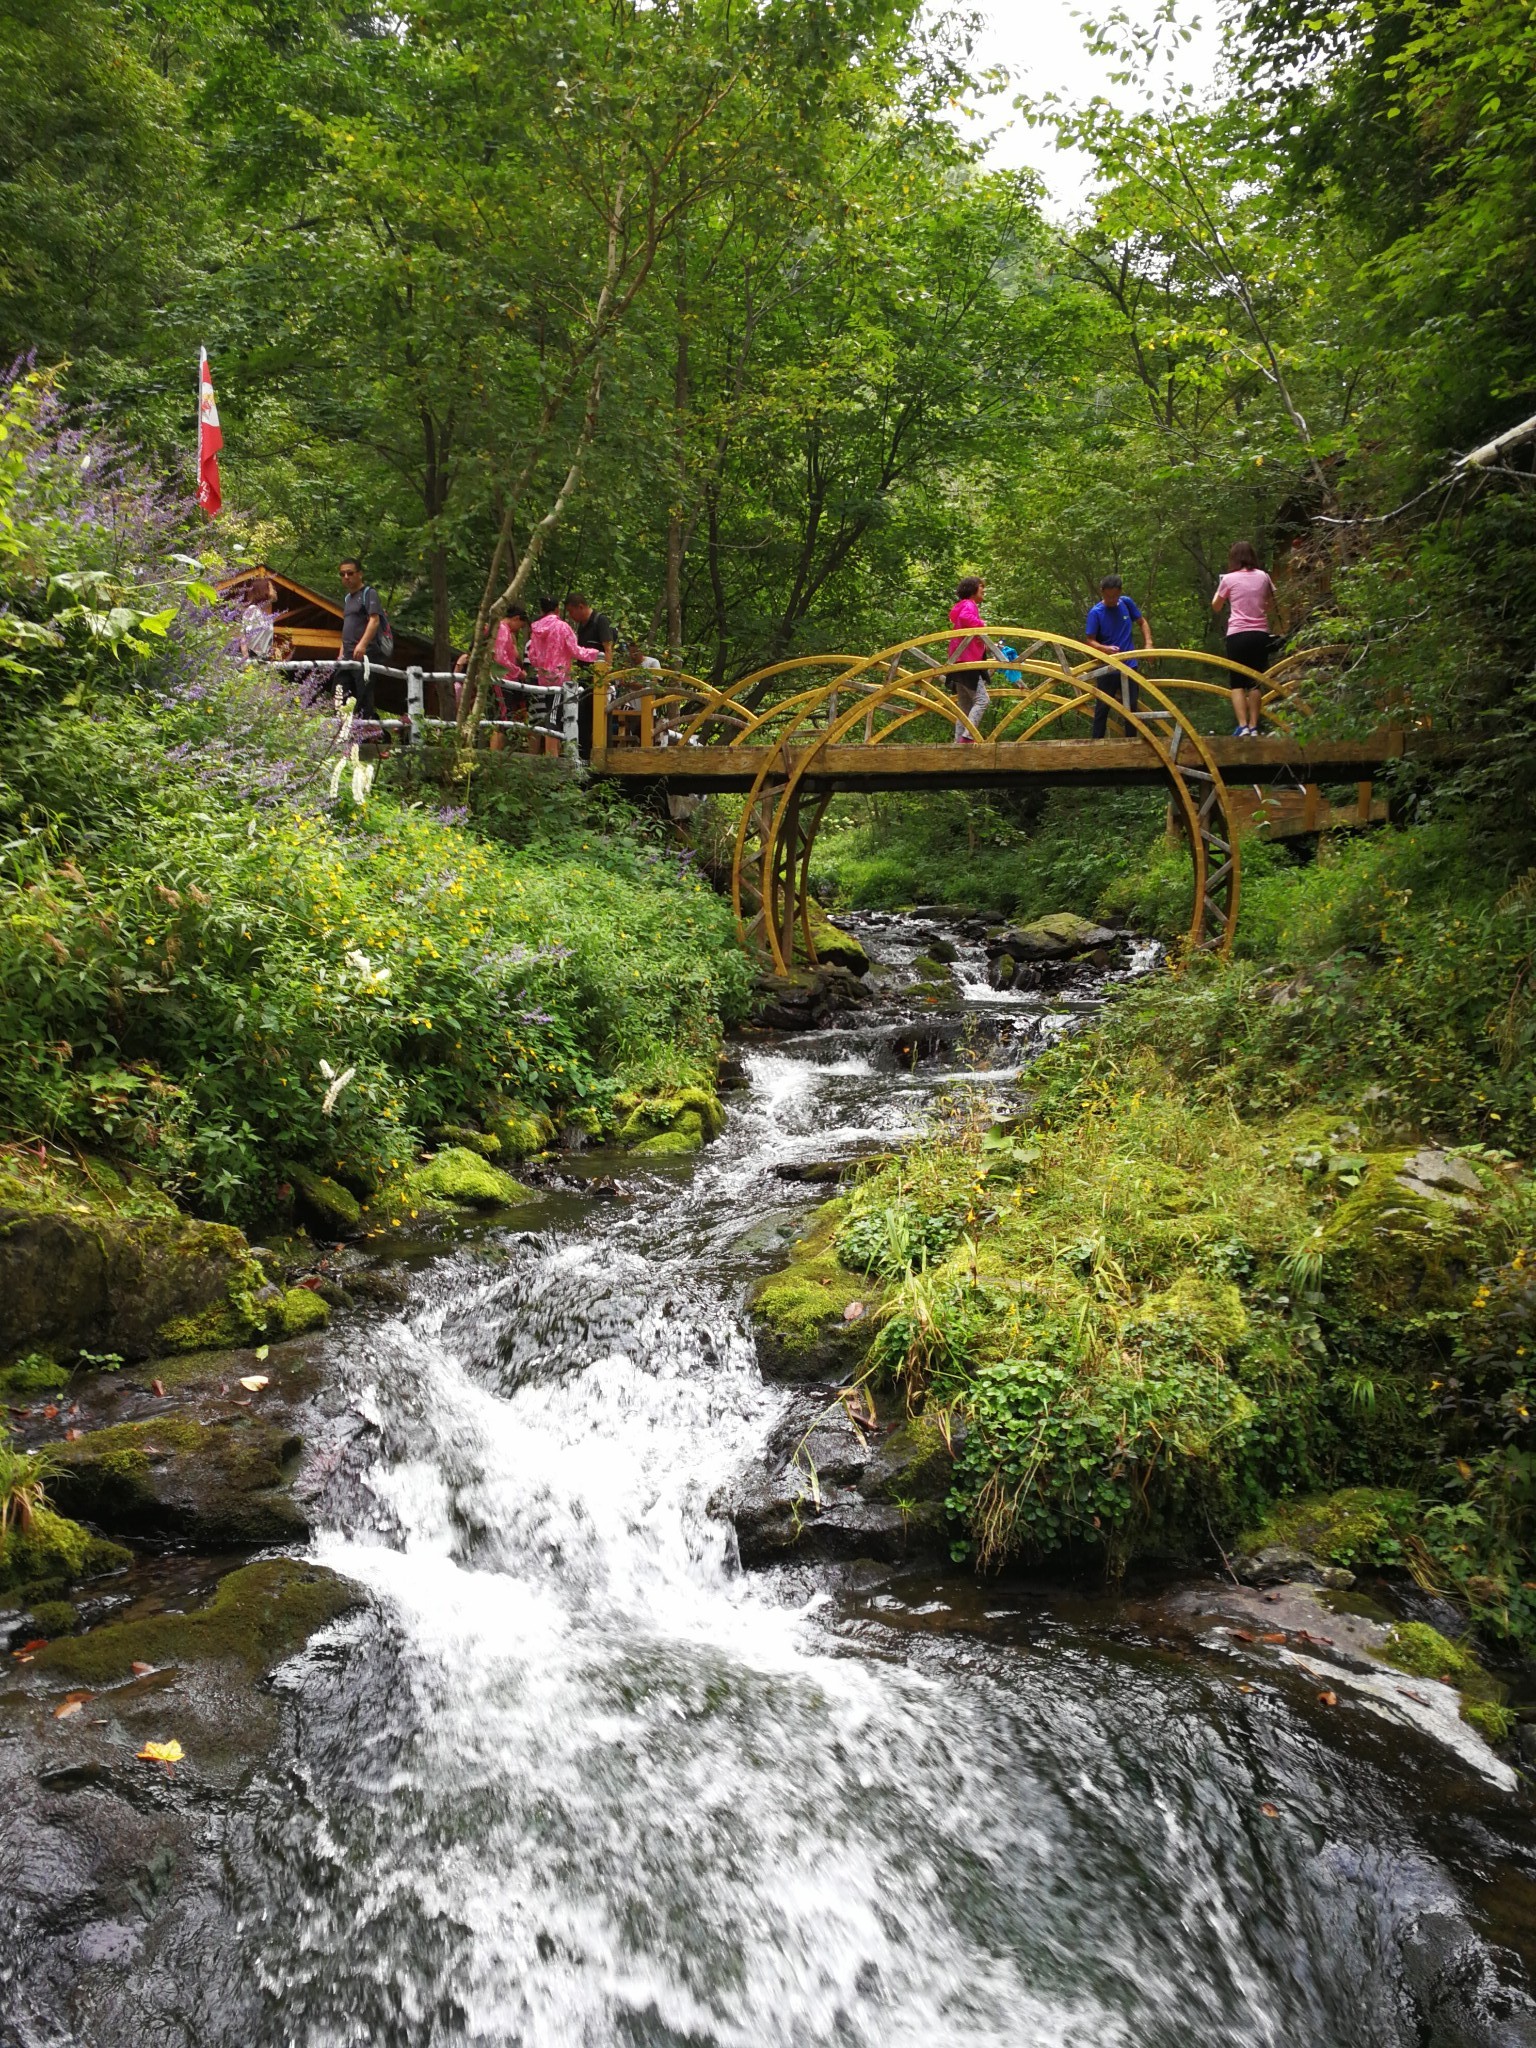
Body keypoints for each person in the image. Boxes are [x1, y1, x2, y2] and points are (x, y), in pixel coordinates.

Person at [1210, 541, 1279, 736]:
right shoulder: (1263, 577)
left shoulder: (1229, 579)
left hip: (1238, 634)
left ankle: (1242, 726)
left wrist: (1223, 591)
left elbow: (1216, 605)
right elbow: (1271, 605)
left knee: (1237, 683)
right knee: (1255, 682)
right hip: (1260, 633)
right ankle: (1254, 725)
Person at [526, 597, 602, 755]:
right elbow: (576, 651)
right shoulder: (562, 627)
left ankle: (550, 753)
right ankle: (552, 756)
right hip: (559, 678)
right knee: (554, 717)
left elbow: (532, 656)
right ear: (557, 609)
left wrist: (542, 665)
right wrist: (596, 654)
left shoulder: (535, 631)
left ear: (541, 611)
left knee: (547, 713)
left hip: (542, 678)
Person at [1084, 574, 1153, 737]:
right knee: (1102, 707)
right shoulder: (1096, 613)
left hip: (1129, 665)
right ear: (1102, 592)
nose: (1112, 600)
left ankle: (1131, 743)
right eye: (1108, 597)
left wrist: (1148, 643)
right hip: (1107, 667)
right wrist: (1104, 648)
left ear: (1120, 592)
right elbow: (1090, 641)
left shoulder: (1126, 603)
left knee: (1131, 708)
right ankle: (1096, 745)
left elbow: (1142, 622)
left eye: (1115, 596)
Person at [566, 594, 616, 758]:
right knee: (584, 717)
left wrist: (606, 677)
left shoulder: (600, 621)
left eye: (572, 611)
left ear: (581, 607)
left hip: (599, 679)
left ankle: (604, 754)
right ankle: (584, 755)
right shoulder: (582, 626)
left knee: (601, 717)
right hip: (585, 680)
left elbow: (608, 648)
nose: (571, 616)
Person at [947, 576, 992, 743]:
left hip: (958, 660)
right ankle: (967, 736)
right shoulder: (969, 605)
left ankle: (959, 740)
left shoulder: (959, 606)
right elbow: (967, 618)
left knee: (965, 706)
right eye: (982, 589)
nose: (983, 592)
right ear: (973, 590)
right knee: (982, 700)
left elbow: (960, 620)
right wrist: (981, 624)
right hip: (968, 660)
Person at [338, 558, 384, 719]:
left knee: (362, 696)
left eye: (350, 573)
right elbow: (348, 626)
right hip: (347, 656)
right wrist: (341, 652)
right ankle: (342, 732)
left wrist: (362, 644)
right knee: (340, 693)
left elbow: (374, 620)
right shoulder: (348, 599)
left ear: (359, 574)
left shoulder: (369, 593)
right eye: (342, 574)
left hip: (365, 655)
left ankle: (364, 736)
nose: (346, 577)